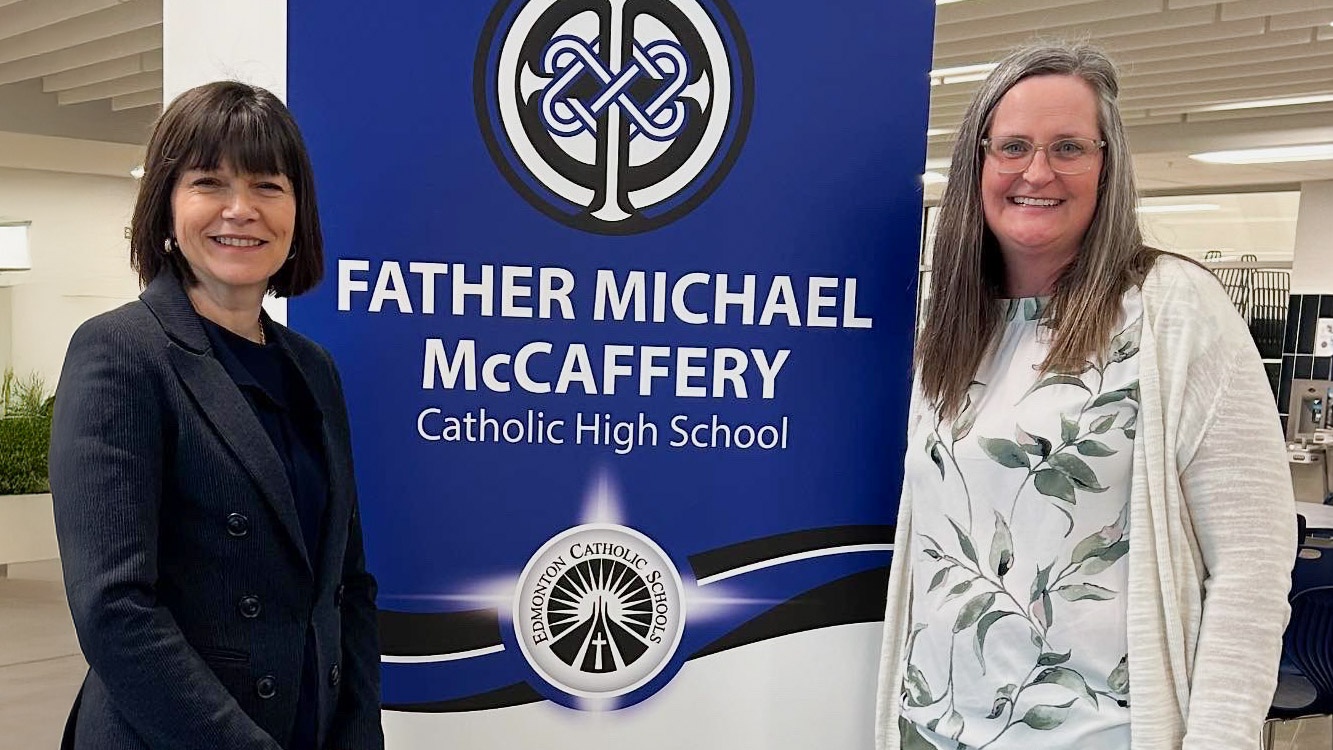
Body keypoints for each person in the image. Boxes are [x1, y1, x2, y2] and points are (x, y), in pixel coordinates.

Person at [875, 42, 1295, 750]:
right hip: (934, 733)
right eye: (1012, 146)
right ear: (978, 162)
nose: (1036, 171)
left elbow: (1251, 561)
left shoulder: (1171, 310)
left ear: (1106, 165)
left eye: (1067, 146)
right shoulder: (950, 329)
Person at [49, 81, 383, 749]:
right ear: (166, 207)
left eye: (267, 186)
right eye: (209, 182)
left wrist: (356, 732)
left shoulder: (312, 368)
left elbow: (348, 584)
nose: (241, 210)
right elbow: (114, 610)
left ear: (298, 212)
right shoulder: (120, 352)